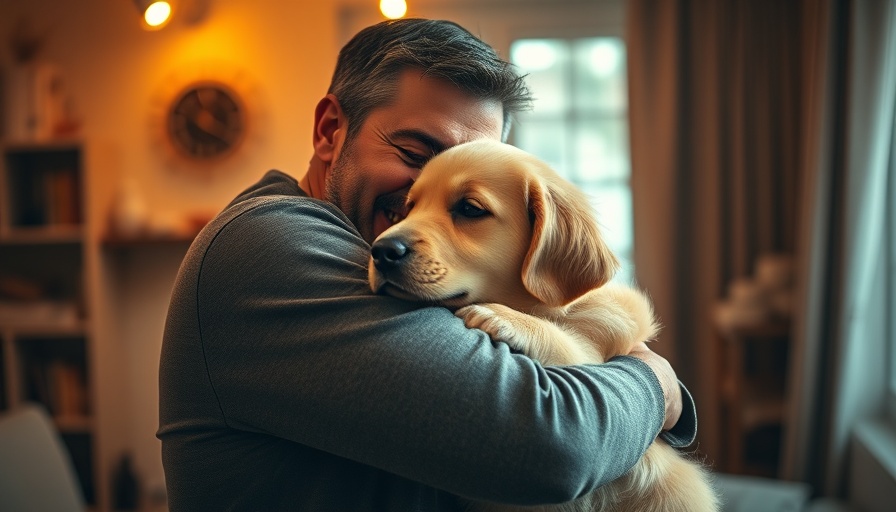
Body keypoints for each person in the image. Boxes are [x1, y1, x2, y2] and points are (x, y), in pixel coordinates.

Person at [158, 18, 698, 511]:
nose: (416, 212)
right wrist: (655, 384)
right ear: (329, 131)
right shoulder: (270, 245)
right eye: (416, 156)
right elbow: (551, 446)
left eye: (465, 191)